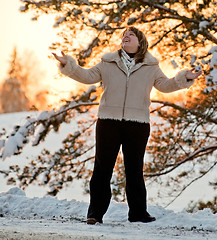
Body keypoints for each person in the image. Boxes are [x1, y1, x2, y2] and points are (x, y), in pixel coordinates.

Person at [52, 26, 202, 225]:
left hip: (138, 125)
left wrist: (185, 78)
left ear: (140, 42)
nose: (126, 37)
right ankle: (95, 214)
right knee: (102, 169)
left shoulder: (151, 66)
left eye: (131, 35)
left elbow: (165, 85)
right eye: (124, 35)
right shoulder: (108, 62)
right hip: (108, 122)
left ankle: (138, 213)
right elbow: (87, 76)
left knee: (134, 170)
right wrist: (68, 65)